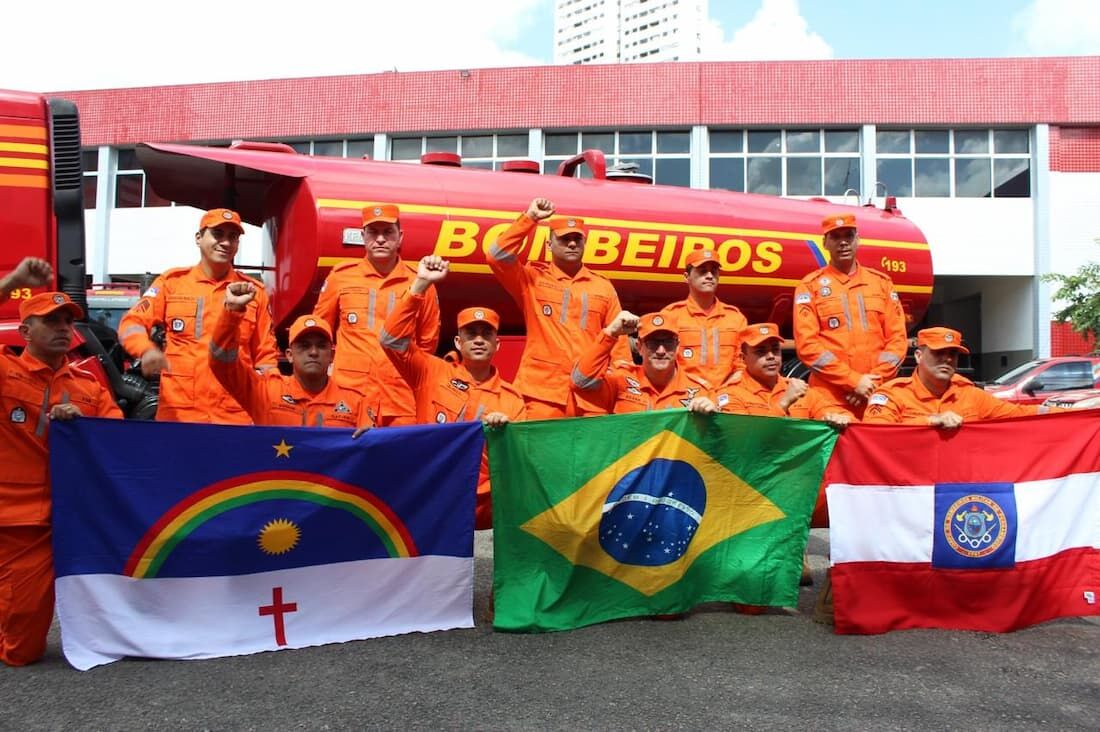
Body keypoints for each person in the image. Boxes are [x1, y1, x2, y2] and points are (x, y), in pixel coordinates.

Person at [1, 259, 122, 666]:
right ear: (24, 331)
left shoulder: (87, 385)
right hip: (21, 522)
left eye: (66, 321)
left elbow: (120, 441)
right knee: (22, 651)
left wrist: (82, 424)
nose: (61, 328)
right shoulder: (6, 372)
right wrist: (13, 283)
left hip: (78, 518)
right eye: (49, 321)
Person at [380, 256, 525, 529]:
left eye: (486, 334)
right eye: (471, 334)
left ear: (498, 344)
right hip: (429, 491)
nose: (479, 339)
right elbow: (390, 339)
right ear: (458, 342)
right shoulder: (430, 372)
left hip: (478, 505)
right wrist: (420, 284)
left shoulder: (512, 400)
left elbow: (515, 464)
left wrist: (503, 436)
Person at [119, 208, 278, 423]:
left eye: (233, 237)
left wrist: (270, 406)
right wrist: (146, 350)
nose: (226, 242)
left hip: (233, 416)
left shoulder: (252, 293)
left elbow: (265, 357)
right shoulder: (172, 283)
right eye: (218, 234)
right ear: (198, 238)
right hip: (180, 414)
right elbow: (133, 322)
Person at [488, 197, 631, 419]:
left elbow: (620, 348)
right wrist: (530, 218)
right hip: (542, 394)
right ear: (549, 245)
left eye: (577, 239)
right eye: (564, 239)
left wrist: (618, 388)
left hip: (591, 397)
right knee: (539, 454)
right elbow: (496, 256)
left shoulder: (602, 286)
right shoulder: (532, 280)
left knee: (591, 454)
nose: (572, 244)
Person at [313, 203, 439, 427]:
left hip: (400, 399)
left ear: (400, 237)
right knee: (347, 460)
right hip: (349, 394)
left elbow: (428, 344)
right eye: (373, 232)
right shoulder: (341, 277)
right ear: (363, 236)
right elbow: (319, 331)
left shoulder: (420, 282)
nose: (380, 239)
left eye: (388, 232)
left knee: (399, 460)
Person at [209, 282, 378, 430]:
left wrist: (370, 439)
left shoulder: (356, 402)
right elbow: (221, 363)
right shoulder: (265, 392)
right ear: (289, 355)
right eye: (304, 346)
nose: (313, 352)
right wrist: (232, 313)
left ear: (332, 355)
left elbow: (370, 453)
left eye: (321, 346)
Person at [793, 213, 907, 418]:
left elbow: (897, 341)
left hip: (877, 396)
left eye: (849, 235)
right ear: (825, 243)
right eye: (836, 237)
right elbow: (807, 346)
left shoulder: (882, 283)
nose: (843, 242)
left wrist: (872, 383)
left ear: (858, 239)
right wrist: (854, 381)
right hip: (829, 400)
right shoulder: (809, 286)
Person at [863, 326, 1050, 425]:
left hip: (955, 488)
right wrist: (929, 421)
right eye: (938, 353)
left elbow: (1020, 414)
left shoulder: (970, 395)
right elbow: (875, 433)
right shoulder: (892, 394)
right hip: (908, 487)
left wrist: (1074, 411)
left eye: (953, 354)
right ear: (919, 356)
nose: (947, 359)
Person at [571, 311, 718, 414]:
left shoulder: (701, 392)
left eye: (668, 343)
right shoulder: (620, 380)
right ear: (640, 347)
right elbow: (580, 382)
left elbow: (719, 443)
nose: (661, 350)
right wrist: (611, 333)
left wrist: (713, 416)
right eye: (653, 343)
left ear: (678, 346)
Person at [659, 248, 747, 386]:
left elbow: (742, 365)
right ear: (686, 277)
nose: (709, 275)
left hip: (725, 397)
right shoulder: (671, 315)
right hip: (683, 395)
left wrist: (725, 391)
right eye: (702, 271)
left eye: (714, 271)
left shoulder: (735, 318)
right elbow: (662, 363)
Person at [716, 323, 808, 417]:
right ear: (743, 358)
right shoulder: (730, 394)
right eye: (761, 352)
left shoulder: (798, 388)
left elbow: (822, 414)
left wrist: (824, 415)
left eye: (775, 349)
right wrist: (783, 403)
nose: (771, 356)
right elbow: (742, 431)